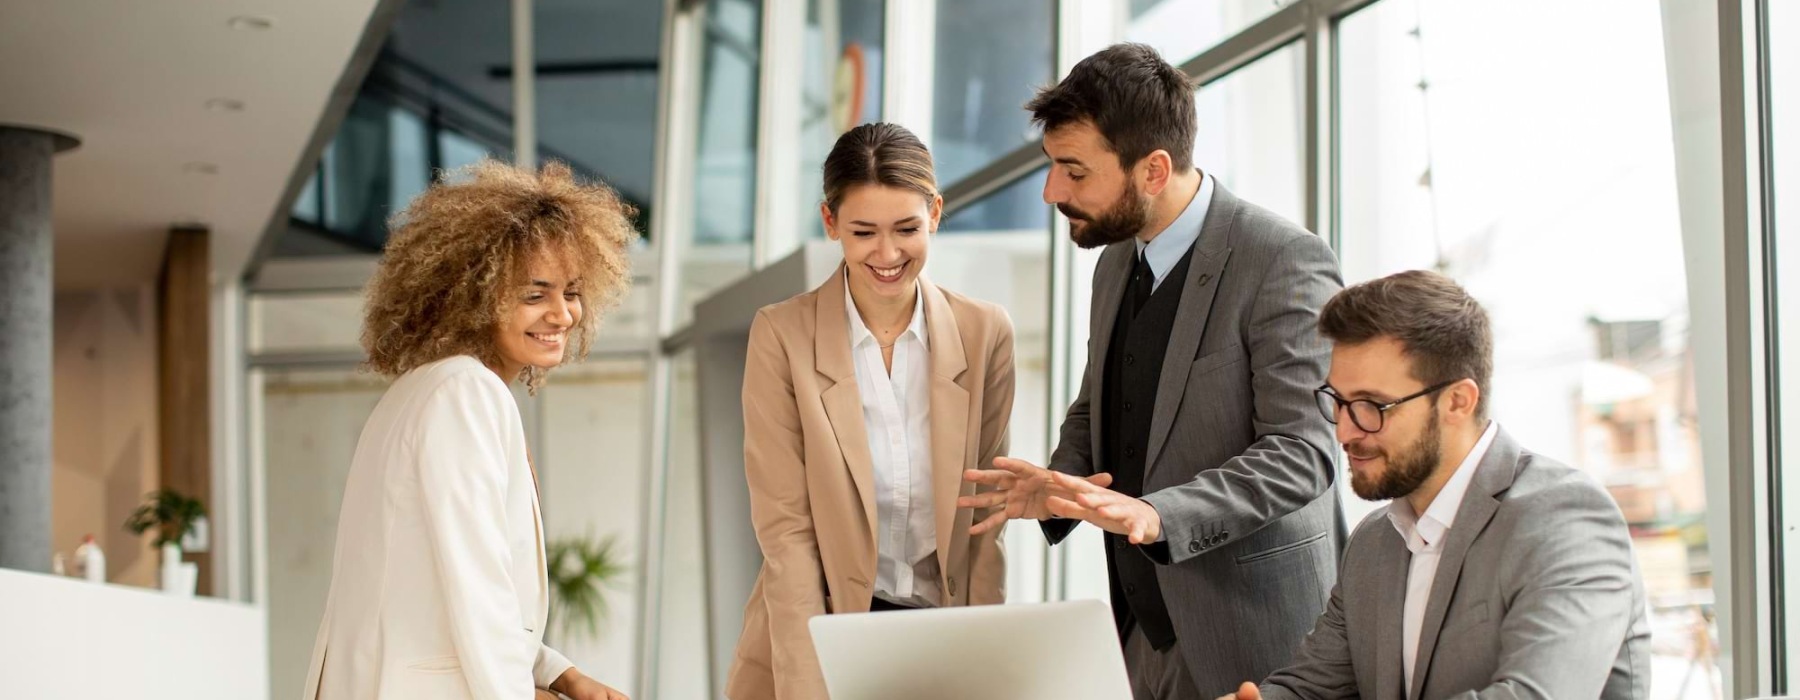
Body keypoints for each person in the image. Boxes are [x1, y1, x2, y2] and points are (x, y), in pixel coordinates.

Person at [961, 42, 1344, 698]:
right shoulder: (1115, 263)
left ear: (1154, 169)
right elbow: (1101, 404)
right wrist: (1060, 487)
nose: (1054, 192)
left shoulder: (1283, 260)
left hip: (1262, 641)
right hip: (1143, 633)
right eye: (1053, 168)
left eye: (1075, 172)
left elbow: (1303, 453)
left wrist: (1159, 515)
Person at [1220, 270, 1650, 700]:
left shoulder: (1567, 519)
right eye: (1339, 402)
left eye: (1371, 406)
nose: (1344, 432)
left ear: (1458, 401)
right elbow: (1310, 689)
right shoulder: (1373, 542)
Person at [301, 160, 637, 700]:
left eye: (571, 291)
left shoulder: (425, 389)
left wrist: (559, 674)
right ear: (475, 295)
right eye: (535, 294)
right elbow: (475, 580)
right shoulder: (465, 393)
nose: (562, 314)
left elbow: (440, 581)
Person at [726, 122, 1016, 700]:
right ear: (830, 222)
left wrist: (986, 662)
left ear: (935, 212)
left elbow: (987, 521)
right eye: (864, 232)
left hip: (944, 632)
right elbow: (788, 536)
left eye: (907, 228)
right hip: (825, 631)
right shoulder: (781, 336)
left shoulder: (985, 332)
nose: (887, 255)